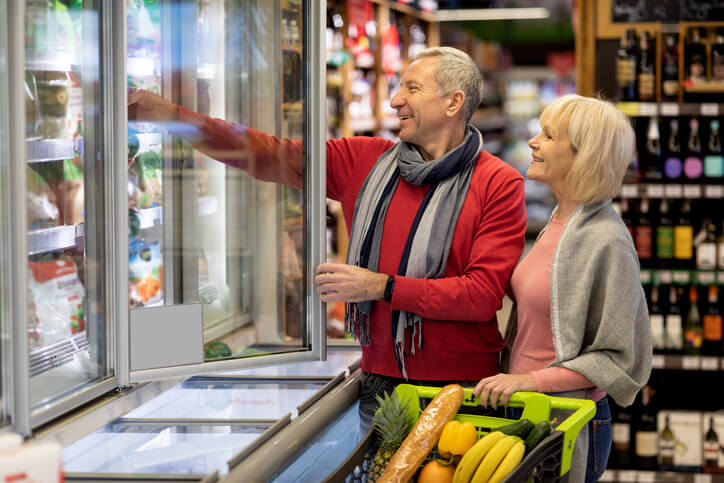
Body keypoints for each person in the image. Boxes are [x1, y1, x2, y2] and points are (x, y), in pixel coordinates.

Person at [128, 47, 527, 431]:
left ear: (453, 103)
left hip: (466, 386)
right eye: (397, 87)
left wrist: (381, 287)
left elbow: (482, 296)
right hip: (380, 381)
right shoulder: (363, 160)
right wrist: (174, 117)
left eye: (412, 89)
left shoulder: (498, 183)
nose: (394, 100)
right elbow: (266, 152)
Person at [472, 94, 653, 483]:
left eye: (548, 135)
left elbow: (619, 359)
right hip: (532, 412)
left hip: (569, 421)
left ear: (583, 155)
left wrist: (527, 380)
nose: (534, 142)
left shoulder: (606, 239)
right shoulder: (559, 221)